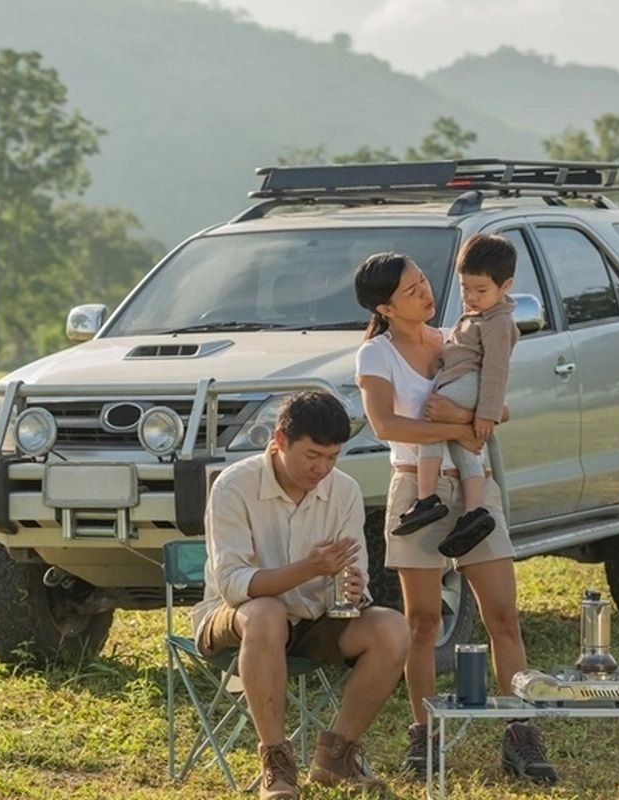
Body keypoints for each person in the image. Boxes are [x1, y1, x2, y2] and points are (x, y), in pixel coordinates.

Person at [352, 251, 558, 784]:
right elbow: (383, 423)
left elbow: (500, 406)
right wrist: (458, 429)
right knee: (422, 622)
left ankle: (521, 731)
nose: (426, 293)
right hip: (416, 491)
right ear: (386, 307)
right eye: (411, 290)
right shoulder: (375, 355)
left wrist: (463, 421)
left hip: (473, 487)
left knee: (504, 617)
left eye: (424, 282)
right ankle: (426, 733)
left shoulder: (455, 337)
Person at [191, 390, 410, 800]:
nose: (322, 468)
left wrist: (355, 587)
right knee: (266, 613)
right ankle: (276, 761)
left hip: (313, 616)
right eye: (312, 455)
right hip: (235, 618)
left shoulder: (343, 490)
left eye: (332, 457)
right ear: (279, 440)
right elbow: (234, 584)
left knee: (393, 628)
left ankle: (336, 757)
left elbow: (353, 567)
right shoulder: (233, 486)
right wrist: (307, 569)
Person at [391, 234, 520, 564]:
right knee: (463, 447)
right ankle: (474, 511)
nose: (471, 297)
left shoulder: (498, 321)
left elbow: (495, 370)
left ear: (505, 286)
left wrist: (486, 415)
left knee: (432, 422)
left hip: (471, 384)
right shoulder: (481, 316)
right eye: (465, 288)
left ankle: (427, 496)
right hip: (465, 381)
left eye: (481, 290)